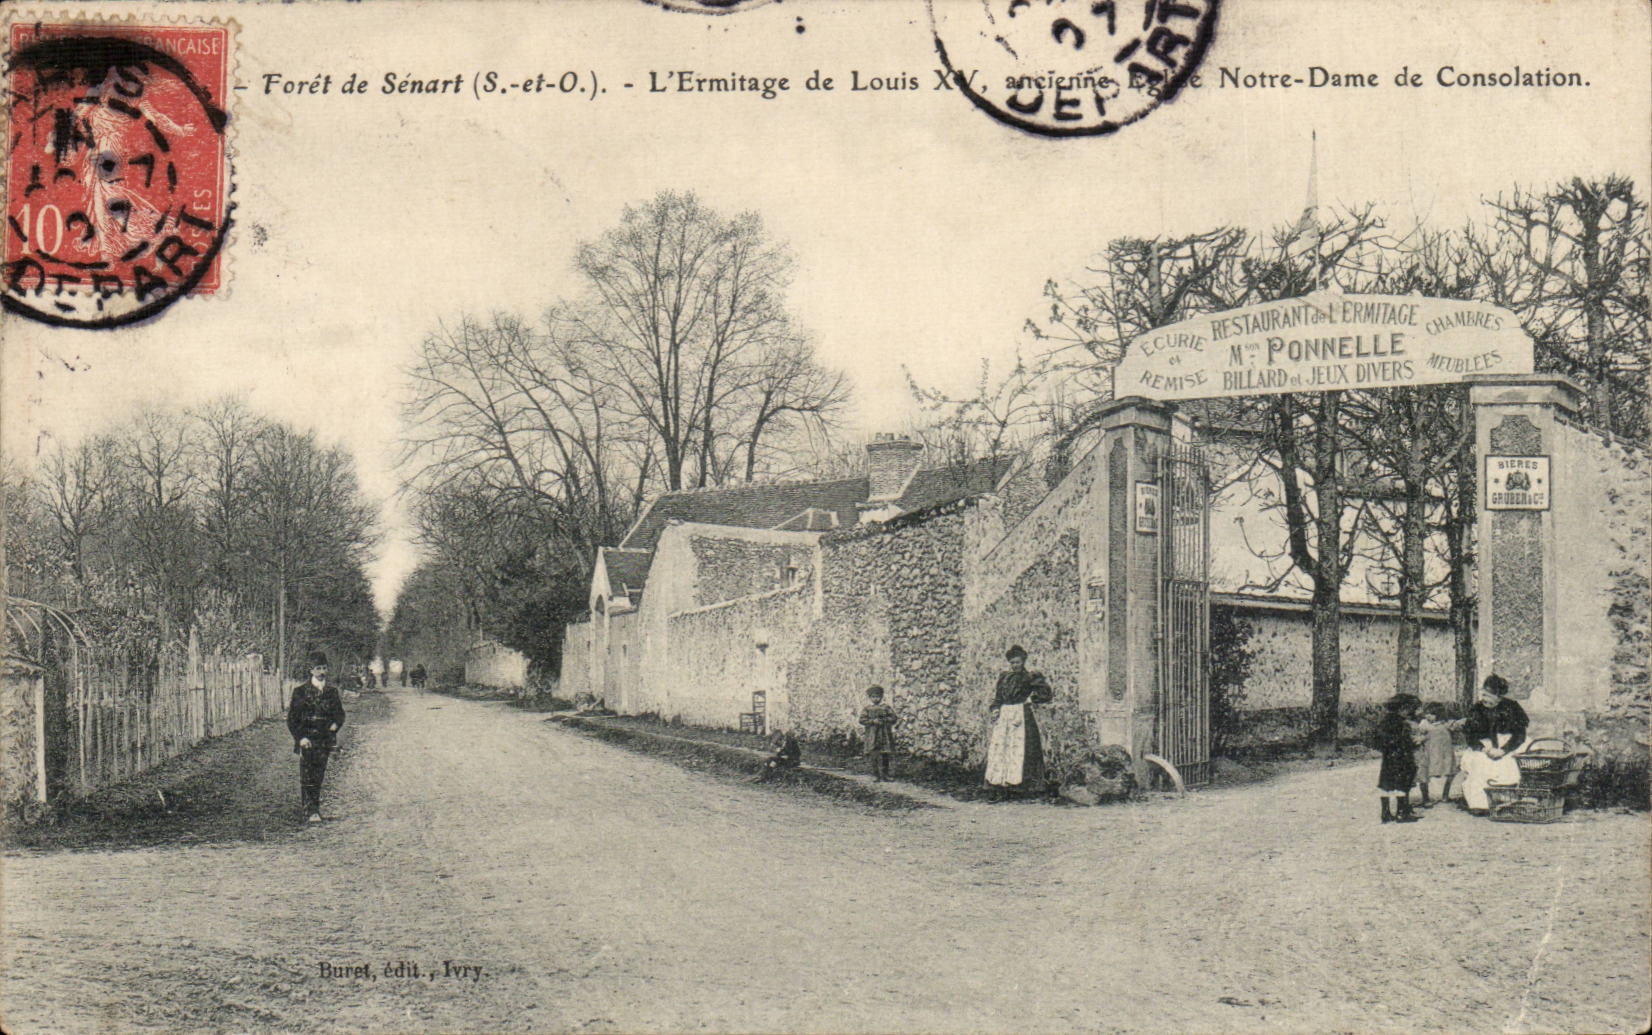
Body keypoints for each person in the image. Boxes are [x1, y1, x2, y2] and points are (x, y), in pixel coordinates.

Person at [984, 645, 1054, 799]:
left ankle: (1024, 786)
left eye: (1018, 662)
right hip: (1005, 716)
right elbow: (998, 697)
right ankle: (1001, 783)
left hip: (1022, 716)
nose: (1015, 665)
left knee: (1024, 748)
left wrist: (1031, 699)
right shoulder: (1004, 677)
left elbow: (1046, 693)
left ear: (1023, 661)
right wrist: (996, 708)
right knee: (1003, 747)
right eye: (1012, 663)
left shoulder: (1030, 677)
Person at [287, 650, 346, 823]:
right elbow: (292, 719)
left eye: (324, 668)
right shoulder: (300, 692)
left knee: (319, 774)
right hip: (307, 739)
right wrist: (300, 738)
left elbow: (340, 714)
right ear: (311, 670)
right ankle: (309, 810)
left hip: (324, 739)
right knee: (307, 775)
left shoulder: (332, 692)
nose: (322, 672)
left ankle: (315, 809)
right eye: (318, 668)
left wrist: (335, 725)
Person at [1458, 673, 1529, 815]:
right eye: (1483, 695)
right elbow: (1470, 734)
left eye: (1489, 696)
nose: (1485, 699)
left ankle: (1505, 802)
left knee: (1510, 764)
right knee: (1478, 762)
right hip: (1484, 745)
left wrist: (1504, 750)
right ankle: (1479, 804)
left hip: (1509, 745)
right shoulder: (1477, 708)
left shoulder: (1512, 707)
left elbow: (1519, 735)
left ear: (1499, 695)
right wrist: (1485, 748)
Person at [1377, 693, 1422, 823]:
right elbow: (1404, 740)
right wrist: (1414, 743)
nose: (1410, 713)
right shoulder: (1401, 723)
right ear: (1403, 708)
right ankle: (1402, 813)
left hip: (1388, 757)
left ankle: (1385, 814)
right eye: (1409, 710)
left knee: (1386, 784)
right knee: (1402, 783)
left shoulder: (1384, 721)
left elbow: (1378, 740)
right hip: (1402, 757)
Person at [1413, 702, 1457, 807]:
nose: (1428, 716)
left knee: (1451, 771)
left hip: (1445, 753)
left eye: (1431, 714)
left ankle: (1445, 795)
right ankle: (1425, 798)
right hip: (1430, 753)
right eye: (1427, 713)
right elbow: (1419, 736)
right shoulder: (1424, 724)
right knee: (1423, 774)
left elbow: (1456, 727)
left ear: (1439, 715)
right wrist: (1421, 739)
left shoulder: (1446, 724)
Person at [859, 686, 898, 782]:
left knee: (885, 754)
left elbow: (893, 718)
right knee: (874, 755)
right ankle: (876, 775)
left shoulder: (886, 708)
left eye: (877, 696)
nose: (875, 699)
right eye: (873, 697)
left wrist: (884, 720)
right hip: (873, 736)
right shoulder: (867, 709)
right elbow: (862, 720)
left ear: (881, 697)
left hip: (884, 735)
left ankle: (885, 775)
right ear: (870, 698)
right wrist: (872, 721)